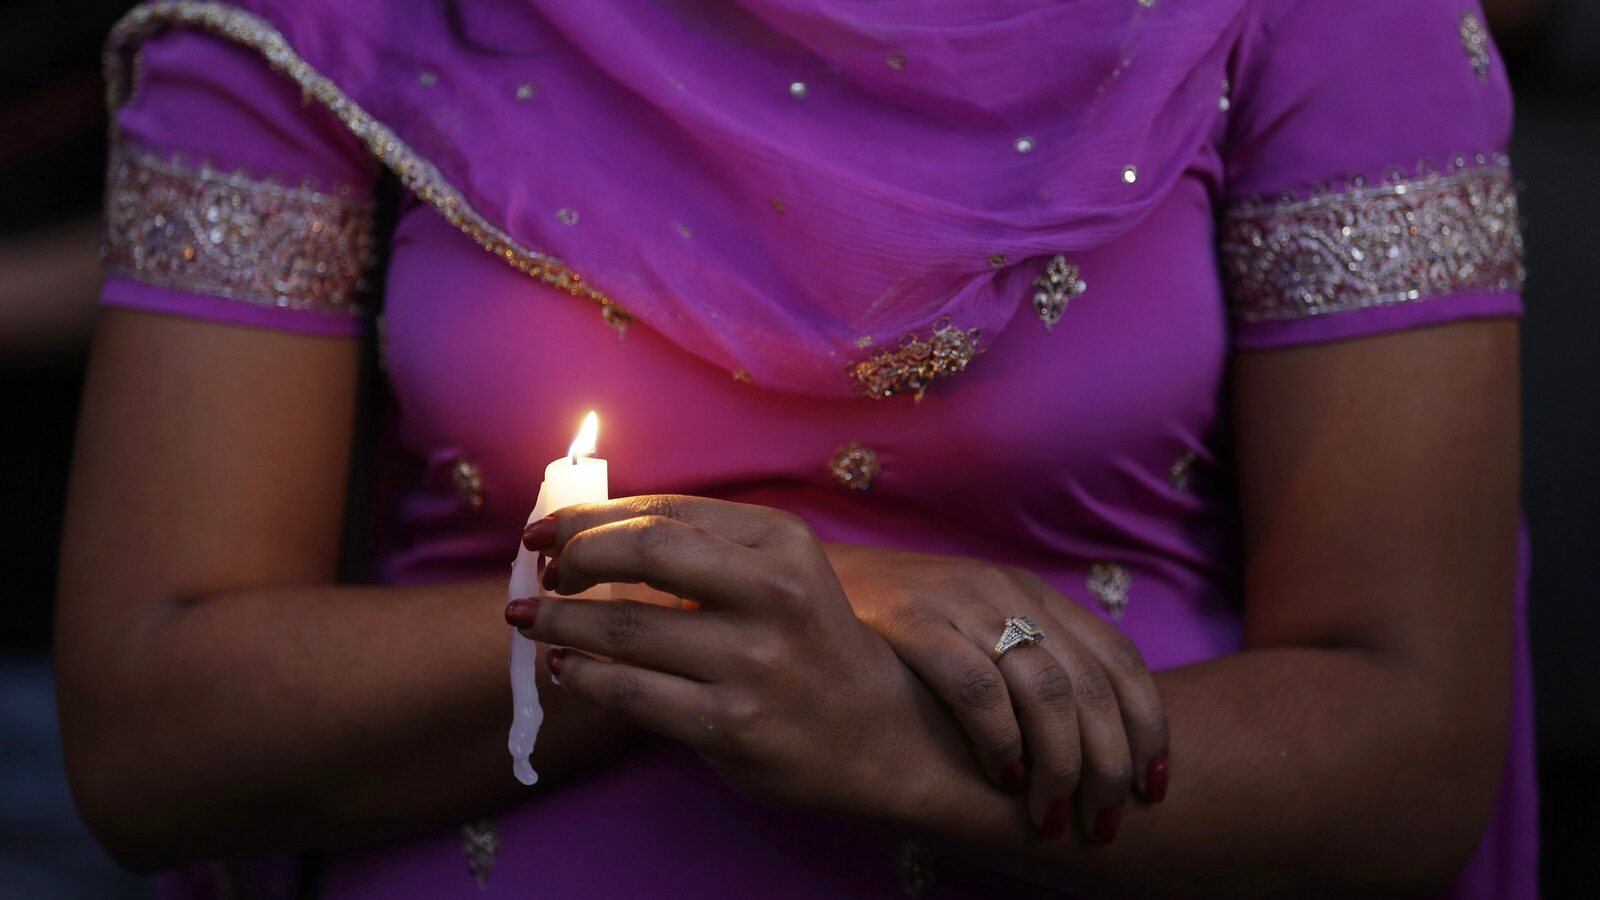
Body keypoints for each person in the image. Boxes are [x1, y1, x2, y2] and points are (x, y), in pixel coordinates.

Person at [56, 0, 1535, 897]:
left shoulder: (1324, 24)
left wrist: (883, 730)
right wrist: (793, 596)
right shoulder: (332, 28)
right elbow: (155, 734)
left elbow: (1409, 747)